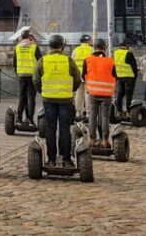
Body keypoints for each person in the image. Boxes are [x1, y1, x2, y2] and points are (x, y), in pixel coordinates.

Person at [34, 34, 81, 167]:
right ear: (62, 46)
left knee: (50, 128)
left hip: (48, 98)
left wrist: (42, 91)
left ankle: (51, 159)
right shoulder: (68, 60)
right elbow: (77, 79)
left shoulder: (43, 60)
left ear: (50, 45)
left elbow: (36, 79)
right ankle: (66, 159)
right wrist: (70, 90)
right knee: (65, 129)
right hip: (65, 99)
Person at [82, 39, 117, 148]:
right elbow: (115, 76)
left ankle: (92, 140)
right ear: (104, 48)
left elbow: (84, 75)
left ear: (94, 47)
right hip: (106, 94)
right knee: (105, 117)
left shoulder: (87, 60)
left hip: (92, 93)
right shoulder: (110, 61)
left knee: (92, 115)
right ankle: (104, 140)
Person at [13, 30, 41, 126]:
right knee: (31, 98)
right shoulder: (34, 47)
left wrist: (17, 72)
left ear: (21, 37)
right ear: (29, 37)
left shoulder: (17, 47)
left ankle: (19, 119)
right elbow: (40, 62)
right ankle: (30, 120)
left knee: (22, 97)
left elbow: (14, 63)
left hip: (21, 75)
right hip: (32, 75)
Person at [71, 35, 93, 118]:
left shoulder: (76, 50)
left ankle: (78, 112)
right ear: (88, 41)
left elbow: (72, 63)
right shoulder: (91, 50)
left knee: (78, 94)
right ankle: (88, 113)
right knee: (88, 94)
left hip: (78, 75)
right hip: (88, 75)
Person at [113, 42, 138, 117]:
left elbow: (114, 65)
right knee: (128, 95)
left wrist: (116, 76)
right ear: (126, 47)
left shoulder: (115, 53)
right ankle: (128, 111)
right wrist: (135, 76)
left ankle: (119, 110)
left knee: (120, 94)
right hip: (129, 77)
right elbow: (134, 66)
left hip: (120, 76)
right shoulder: (129, 54)